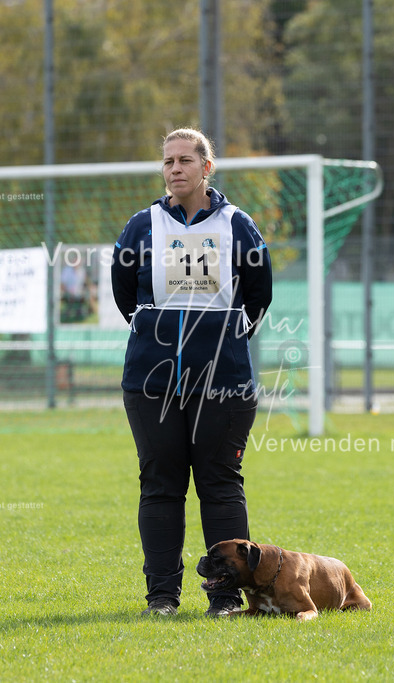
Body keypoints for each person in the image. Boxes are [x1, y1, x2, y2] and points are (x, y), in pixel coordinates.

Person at [111, 128, 273, 618]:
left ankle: (224, 598)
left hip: (223, 382)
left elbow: (259, 295)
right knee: (160, 485)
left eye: (185, 160)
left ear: (207, 167)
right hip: (151, 382)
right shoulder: (141, 226)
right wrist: (154, 330)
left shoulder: (238, 225)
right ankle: (161, 597)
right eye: (167, 162)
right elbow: (124, 294)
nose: (174, 169)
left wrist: (220, 344)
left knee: (220, 484)